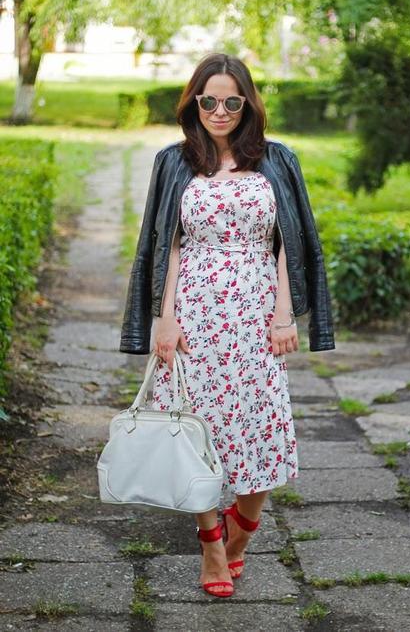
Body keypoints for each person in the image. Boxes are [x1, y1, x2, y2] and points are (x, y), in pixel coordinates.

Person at [120, 53, 335, 598]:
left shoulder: (277, 160)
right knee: (197, 433)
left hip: (257, 317)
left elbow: (287, 241)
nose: (219, 110)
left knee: (262, 430)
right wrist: (164, 320)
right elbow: (166, 246)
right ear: (194, 102)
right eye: (208, 100)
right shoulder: (174, 162)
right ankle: (212, 545)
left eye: (231, 101)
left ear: (248, 104)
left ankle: (242, 532)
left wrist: (285, 313)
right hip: (194, 315)